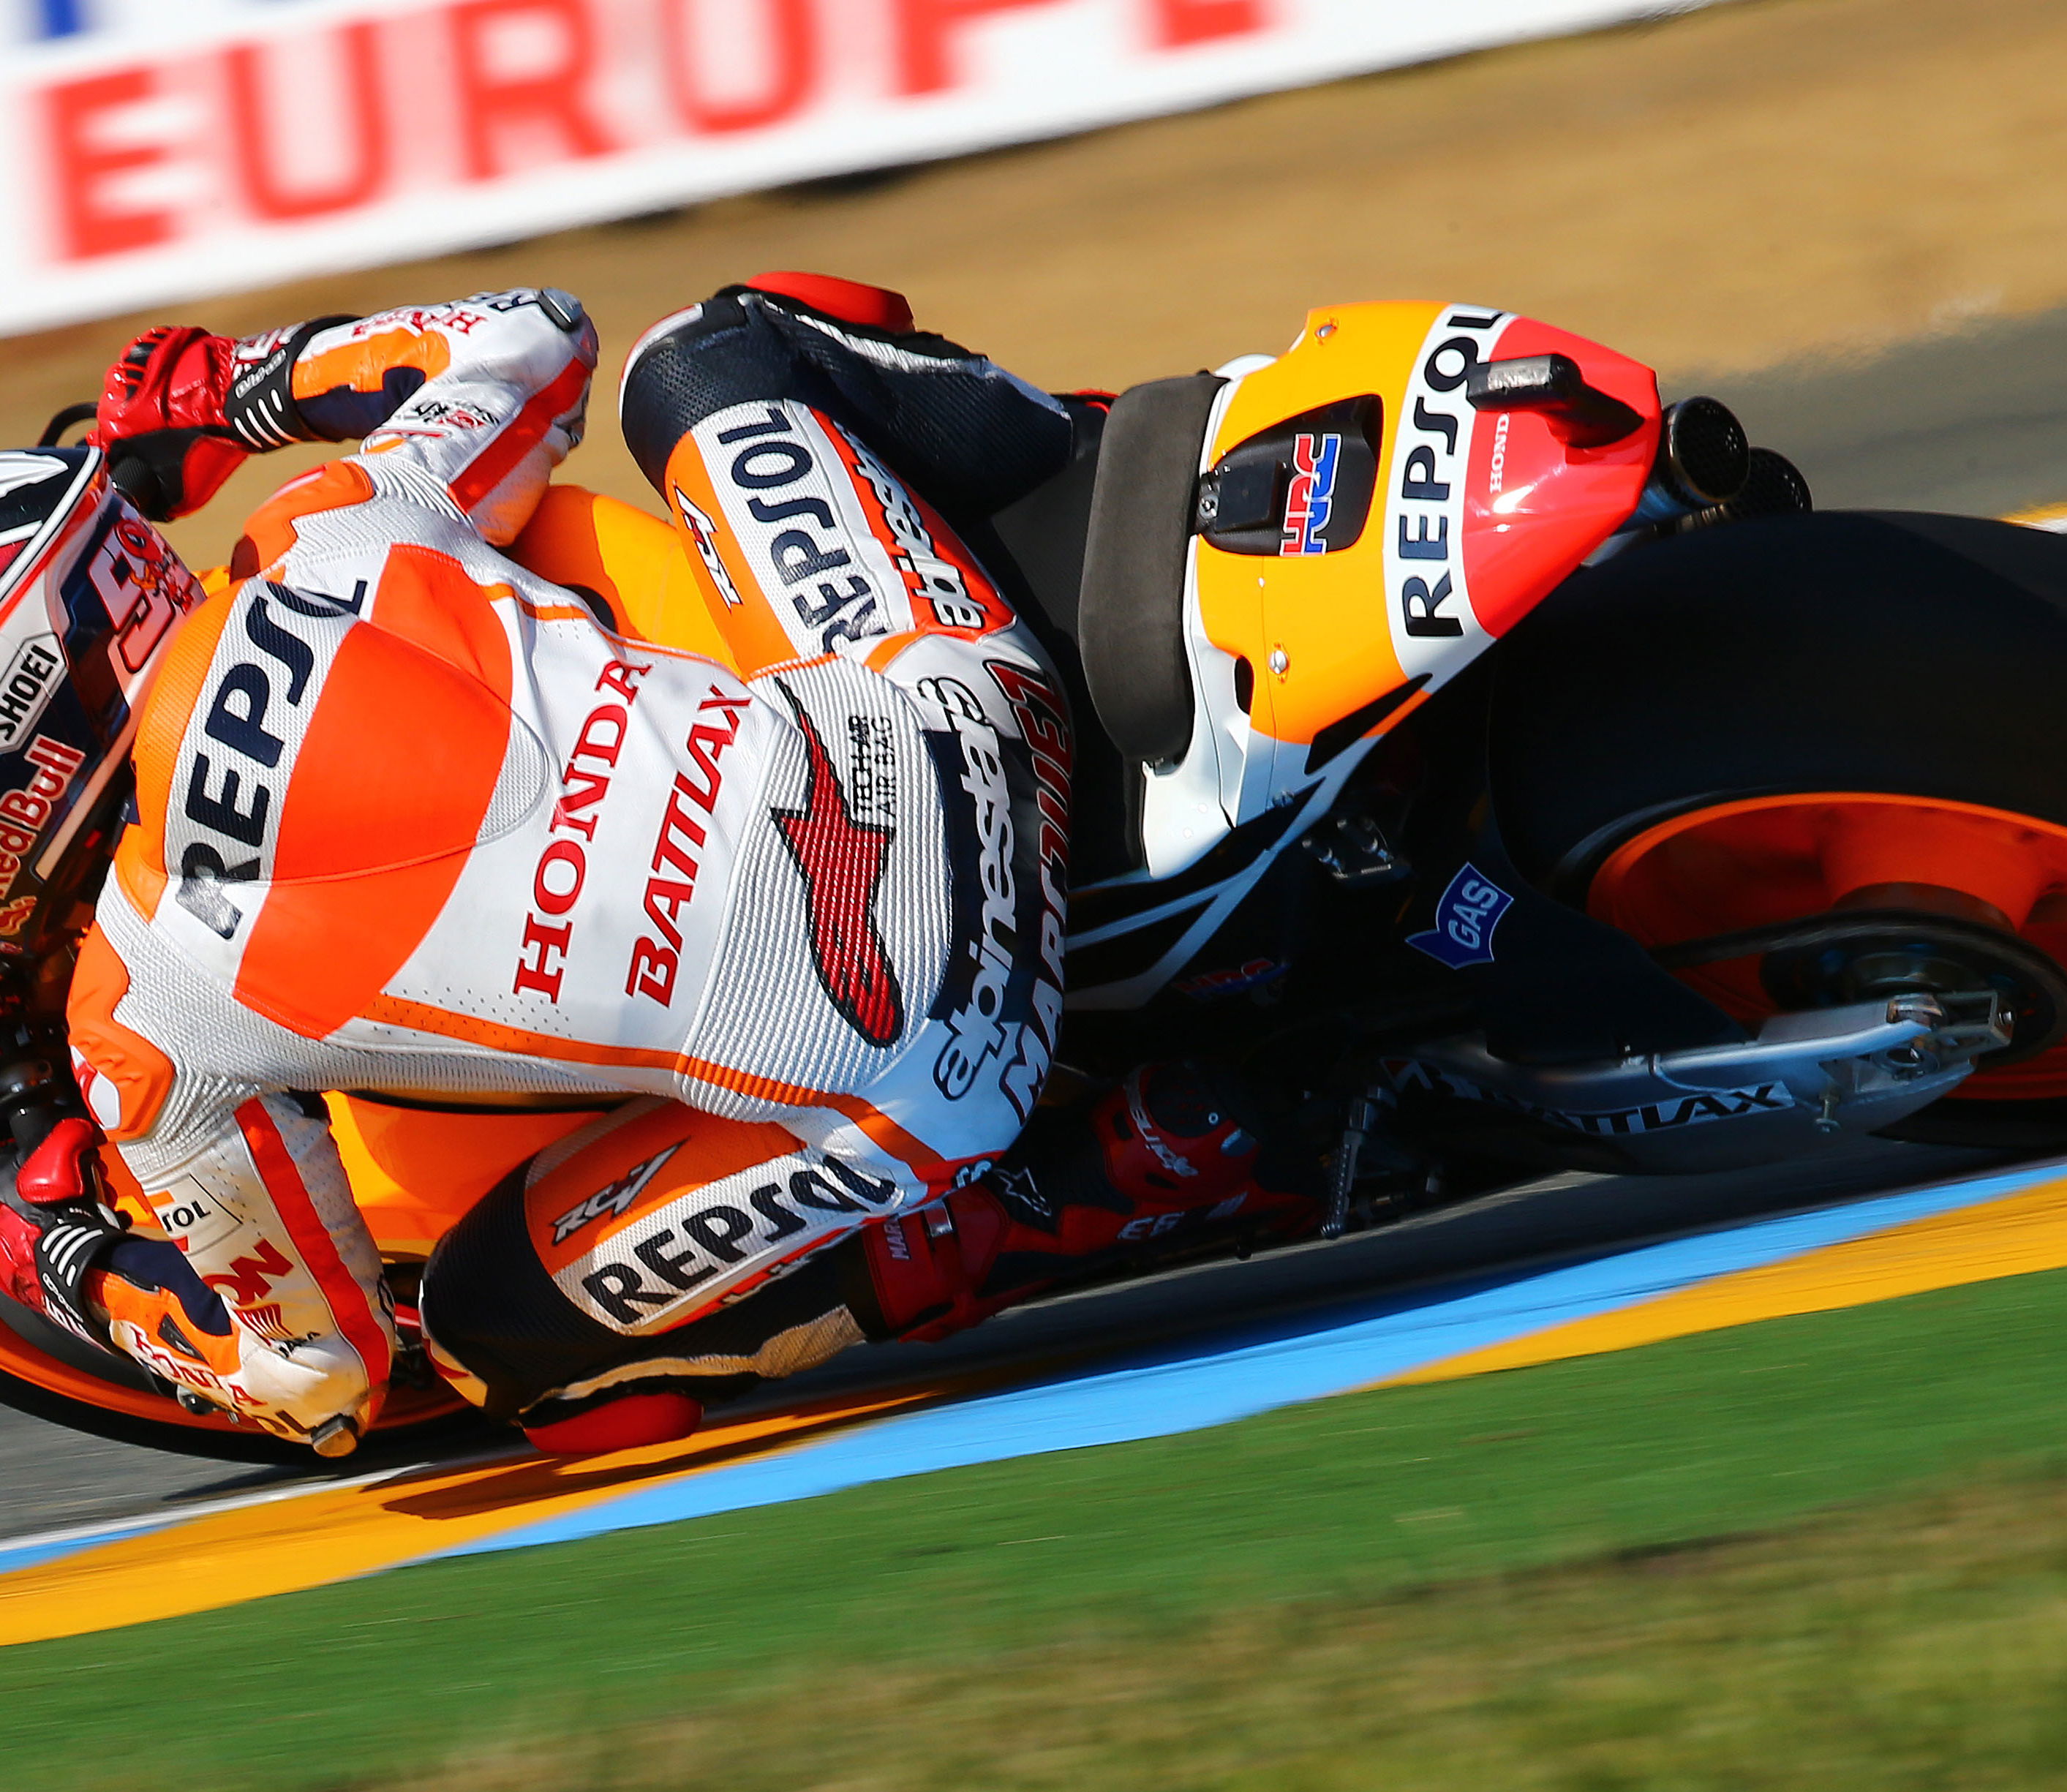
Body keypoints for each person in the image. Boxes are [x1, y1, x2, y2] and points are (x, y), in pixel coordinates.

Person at [0, 277, 1317, 1458]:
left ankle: (1089, 1184)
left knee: (482, 1339)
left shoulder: (140, 1018)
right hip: (966, 715)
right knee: (712, 348)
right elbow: (532, 335)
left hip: (943, 1059)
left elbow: (316, 1381)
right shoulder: (325, 527)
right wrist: (232, 393)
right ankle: (1134, 501)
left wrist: (72, 1263)